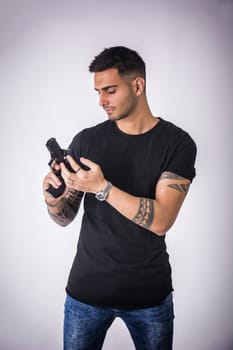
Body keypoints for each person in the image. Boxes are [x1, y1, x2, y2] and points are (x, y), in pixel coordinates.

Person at [43, 46, 197, 350]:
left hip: (148, 296)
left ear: (137, 85)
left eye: (110, 90)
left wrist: (102, 187)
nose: (101, 101)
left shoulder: (177, 143)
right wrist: (53, 198)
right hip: (85, 293)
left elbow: (162, 221)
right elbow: (64, 217)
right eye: (98, 92)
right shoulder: (87, 140)